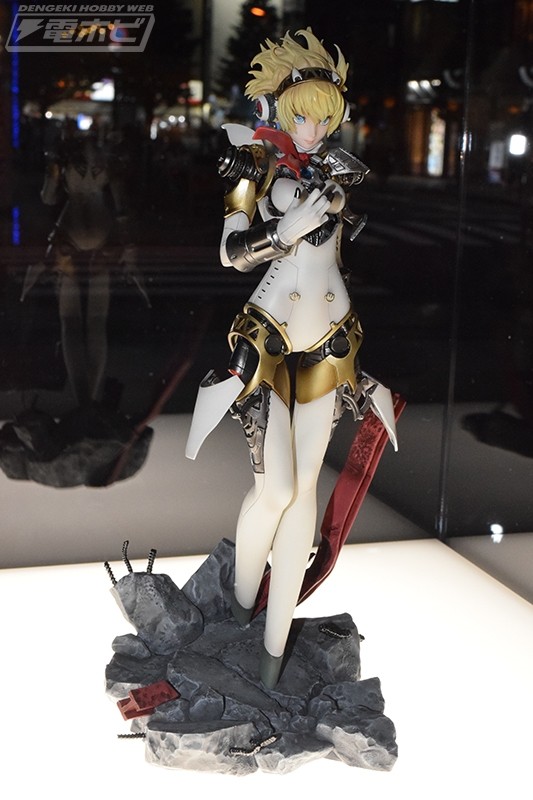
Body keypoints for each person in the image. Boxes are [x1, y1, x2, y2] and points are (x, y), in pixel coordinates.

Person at [187, 29, 396, 688]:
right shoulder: (254, 161)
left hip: (331, 342)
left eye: (324, 117)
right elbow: (229, 253)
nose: (313, 128)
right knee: (275, 488)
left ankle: (273, 654)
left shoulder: (332, 169)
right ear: (280, 107)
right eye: (303, 115)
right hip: (271, 341)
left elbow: (333, 258)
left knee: (304, 492)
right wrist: (282, 232)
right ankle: (237, 613)